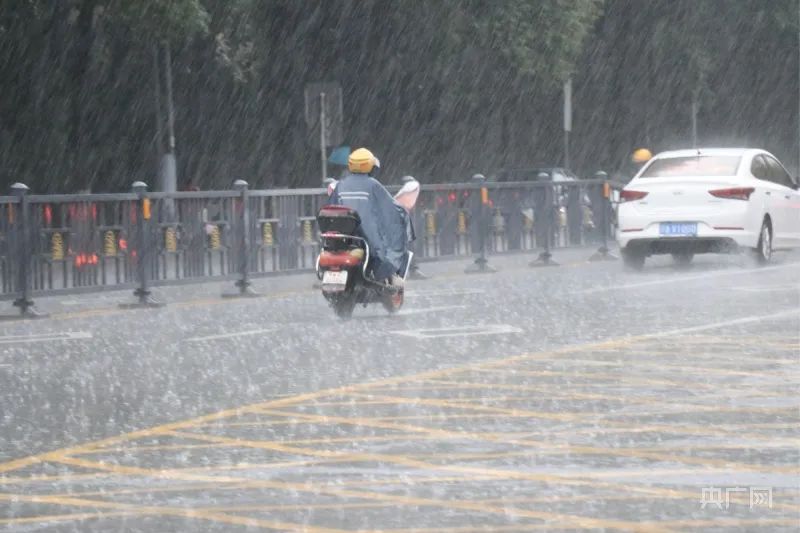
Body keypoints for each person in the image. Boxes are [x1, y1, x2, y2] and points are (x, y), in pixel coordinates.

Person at [329, 147, 410, 287]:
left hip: (344, 238)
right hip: (366, 238)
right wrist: (403, 214)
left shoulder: (341, 185)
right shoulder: (373, 185)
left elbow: (331, 207)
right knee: (389, 249)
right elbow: (390, 208)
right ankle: (388, 275)